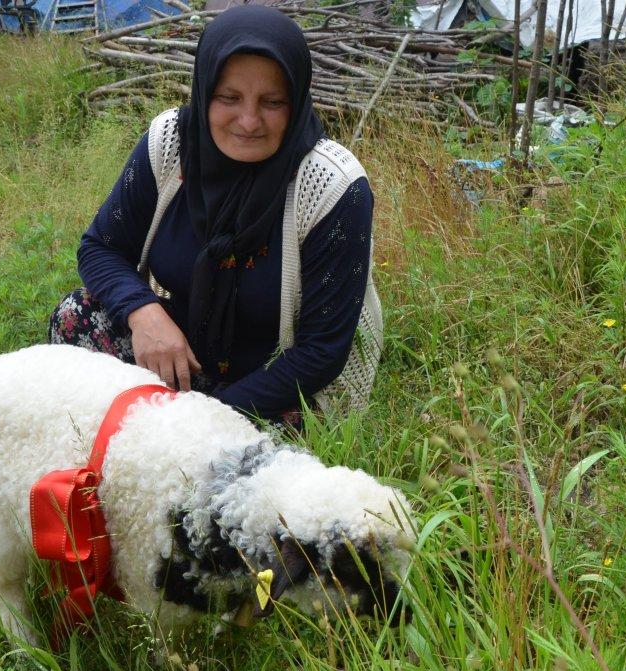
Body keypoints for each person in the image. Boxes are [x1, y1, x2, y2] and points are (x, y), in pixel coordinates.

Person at [48, 4, 380, 424]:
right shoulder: (171, 144)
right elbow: (102, 247)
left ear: (297, 100)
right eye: (229, 98)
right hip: (189, 357)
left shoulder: (332, 186)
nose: (248, 120)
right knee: (77, 317)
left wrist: (201, 418)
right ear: (204, 91)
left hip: (282, 386)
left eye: (272, 102)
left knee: (230, 478)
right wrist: (144, 312)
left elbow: (322, 352)